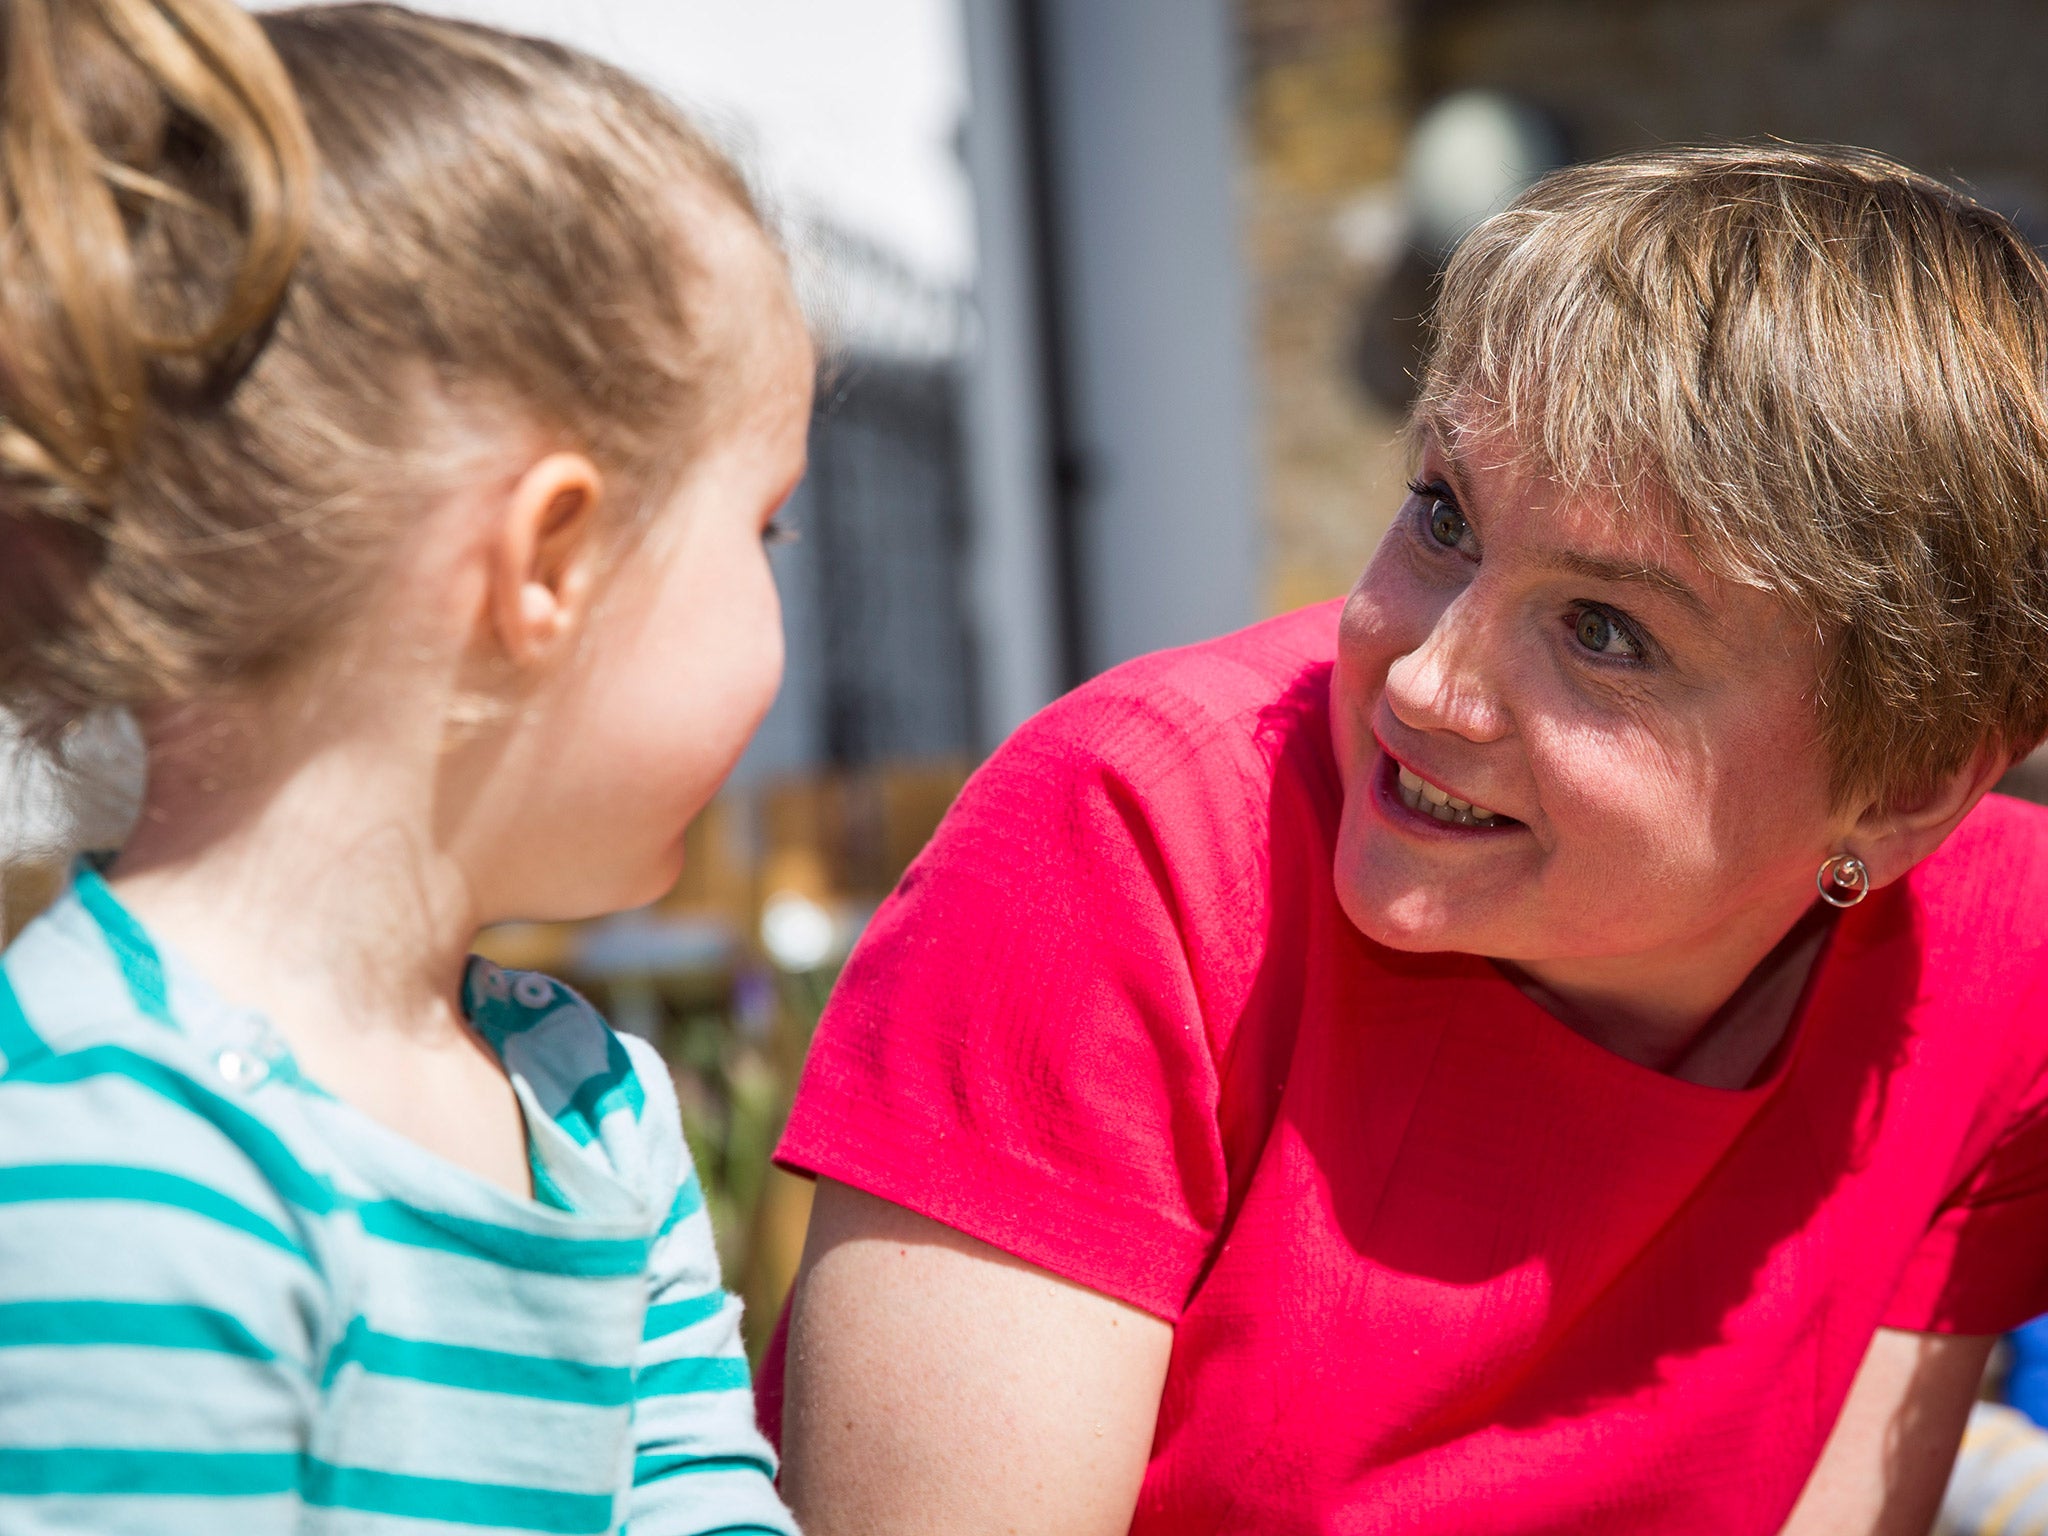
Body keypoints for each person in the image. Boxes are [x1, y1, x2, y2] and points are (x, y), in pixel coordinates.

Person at [766, 145, 2048, 1536]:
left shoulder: (1997, 972)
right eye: (1445, 517)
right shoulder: (1132, 840)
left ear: (1908, 787)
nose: (1426, 683)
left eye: (1604, 633)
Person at [0, 4, 809, 1533]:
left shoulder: (589, 1104)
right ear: (547, 561)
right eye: (760, 527)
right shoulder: (116, 1169)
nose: (775, 594)